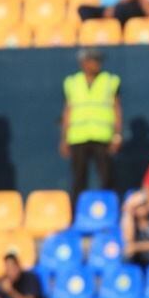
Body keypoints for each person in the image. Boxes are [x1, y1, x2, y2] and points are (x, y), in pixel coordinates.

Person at [60, 49, 121, 203]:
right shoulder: (72, 82)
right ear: (84, 63)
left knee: (107, 176)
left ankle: (107, 209)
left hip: (103, 136)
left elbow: (116, 108)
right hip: (78, 137)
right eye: (93, 60)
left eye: (98, 61)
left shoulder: (110, 81)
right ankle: (77, 213)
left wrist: (117, 135)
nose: (97, 64)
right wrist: (64, 138)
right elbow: (68, 110)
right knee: (78, 179)